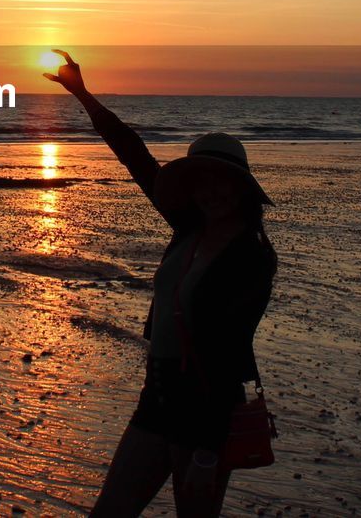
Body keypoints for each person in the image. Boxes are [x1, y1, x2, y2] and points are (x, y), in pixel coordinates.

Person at [43, 50, 278, 518]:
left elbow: (229, 353)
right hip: (159, 395)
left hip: (205, 404)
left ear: (241, 189)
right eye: (199, 181)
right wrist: (82, 95)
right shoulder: (187, 229)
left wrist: (209, 451)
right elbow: (131, 151)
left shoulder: (252, 258)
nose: (209, 191)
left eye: (221, 182)